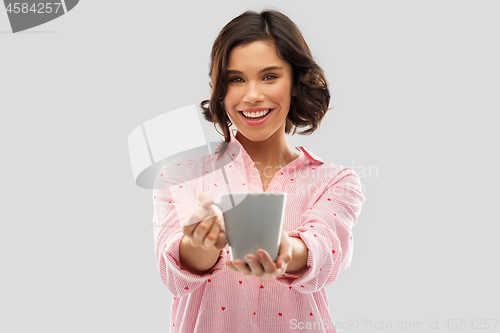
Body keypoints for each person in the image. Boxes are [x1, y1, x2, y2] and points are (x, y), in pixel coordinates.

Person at [152, 9, 365, 333]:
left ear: (295, 82)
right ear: (221, 90)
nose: (252, 95)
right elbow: (173, 274)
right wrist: (202, 243)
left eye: (269, 76)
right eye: (236, 79)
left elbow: (324, 254)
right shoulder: (180, 175)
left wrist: (284, 251)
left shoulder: (335, 181)